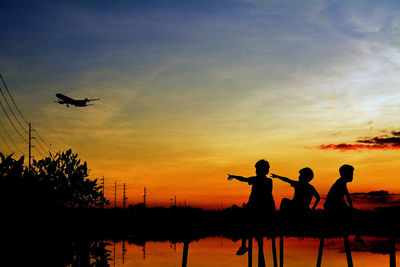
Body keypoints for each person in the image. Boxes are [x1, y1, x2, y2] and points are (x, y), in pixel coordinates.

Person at [227, 159, 275, 255]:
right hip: (256, 205)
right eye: (256, 169)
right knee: (244, 222)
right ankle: (243, 244)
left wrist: (233, 176)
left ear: (265, 170)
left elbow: (244, 179)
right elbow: (244, 179)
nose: (256, 171)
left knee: (245, 222)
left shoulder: (261, 180)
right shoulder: (266, 180)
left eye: (258, 169)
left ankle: (243, 243)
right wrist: (234, 176)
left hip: (257, 206)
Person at [324, 164, 366, 246]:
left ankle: (357, 235)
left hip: (336, 205)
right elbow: (336, 200)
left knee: (356, 214)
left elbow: (348, 197)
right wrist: (350, 208)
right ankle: (356, 235)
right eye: (351, 174)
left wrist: (351, 207)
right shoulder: (340, 183)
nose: (353, 176)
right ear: (346, 174)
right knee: (358, 215)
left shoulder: (342, 182)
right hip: (333, 207)